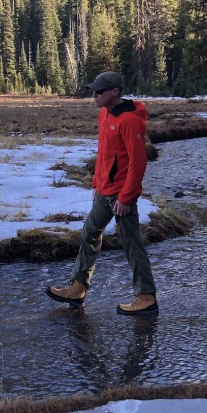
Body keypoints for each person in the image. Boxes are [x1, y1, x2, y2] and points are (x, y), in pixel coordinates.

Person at [46, 70, 158, 315]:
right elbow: (104, 154)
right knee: (89, 232)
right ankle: (77, 289)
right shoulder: (105, 114)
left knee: (131, 244)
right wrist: (96, 183)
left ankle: (146, 297)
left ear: (115, 92)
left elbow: (138, 163)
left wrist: (127, 197)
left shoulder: (130, 120)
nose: (93, 96)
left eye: (99, 91)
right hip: (105, 191)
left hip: (121, 196)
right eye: (93, 91)